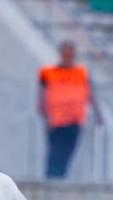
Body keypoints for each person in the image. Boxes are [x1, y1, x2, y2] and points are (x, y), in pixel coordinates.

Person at [38, 41, 101, 179]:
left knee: (67, 152)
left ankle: (60, 178)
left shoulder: (81, 72)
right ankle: (51, 178)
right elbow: (42, 94)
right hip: (56, 120)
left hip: (75, 120)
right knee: (54, 152)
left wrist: (98, 114)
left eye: (70, 54)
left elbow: (90, 94)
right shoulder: (48, 72)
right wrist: (44, 116)